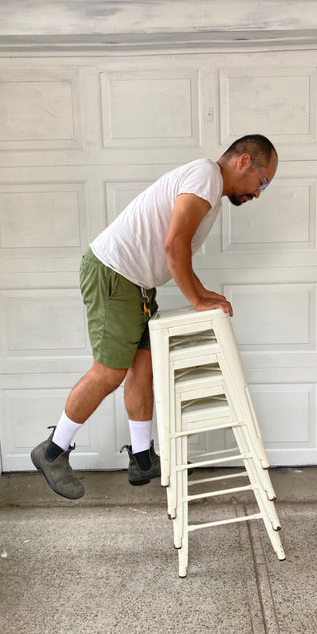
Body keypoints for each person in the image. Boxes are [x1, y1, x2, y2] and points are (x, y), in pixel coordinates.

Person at [31, 134, 278, 499]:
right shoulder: (206, 176)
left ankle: (143, 459)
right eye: (263, 181)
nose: (259, 193)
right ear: (244, 162)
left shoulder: (207, 185)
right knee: (110, 371)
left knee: (142, 367)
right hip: (114, 273)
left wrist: (202, 292)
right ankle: (52, 451)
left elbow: (175, 249)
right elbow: (174, 243)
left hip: (138, 285)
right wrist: (196, 300)